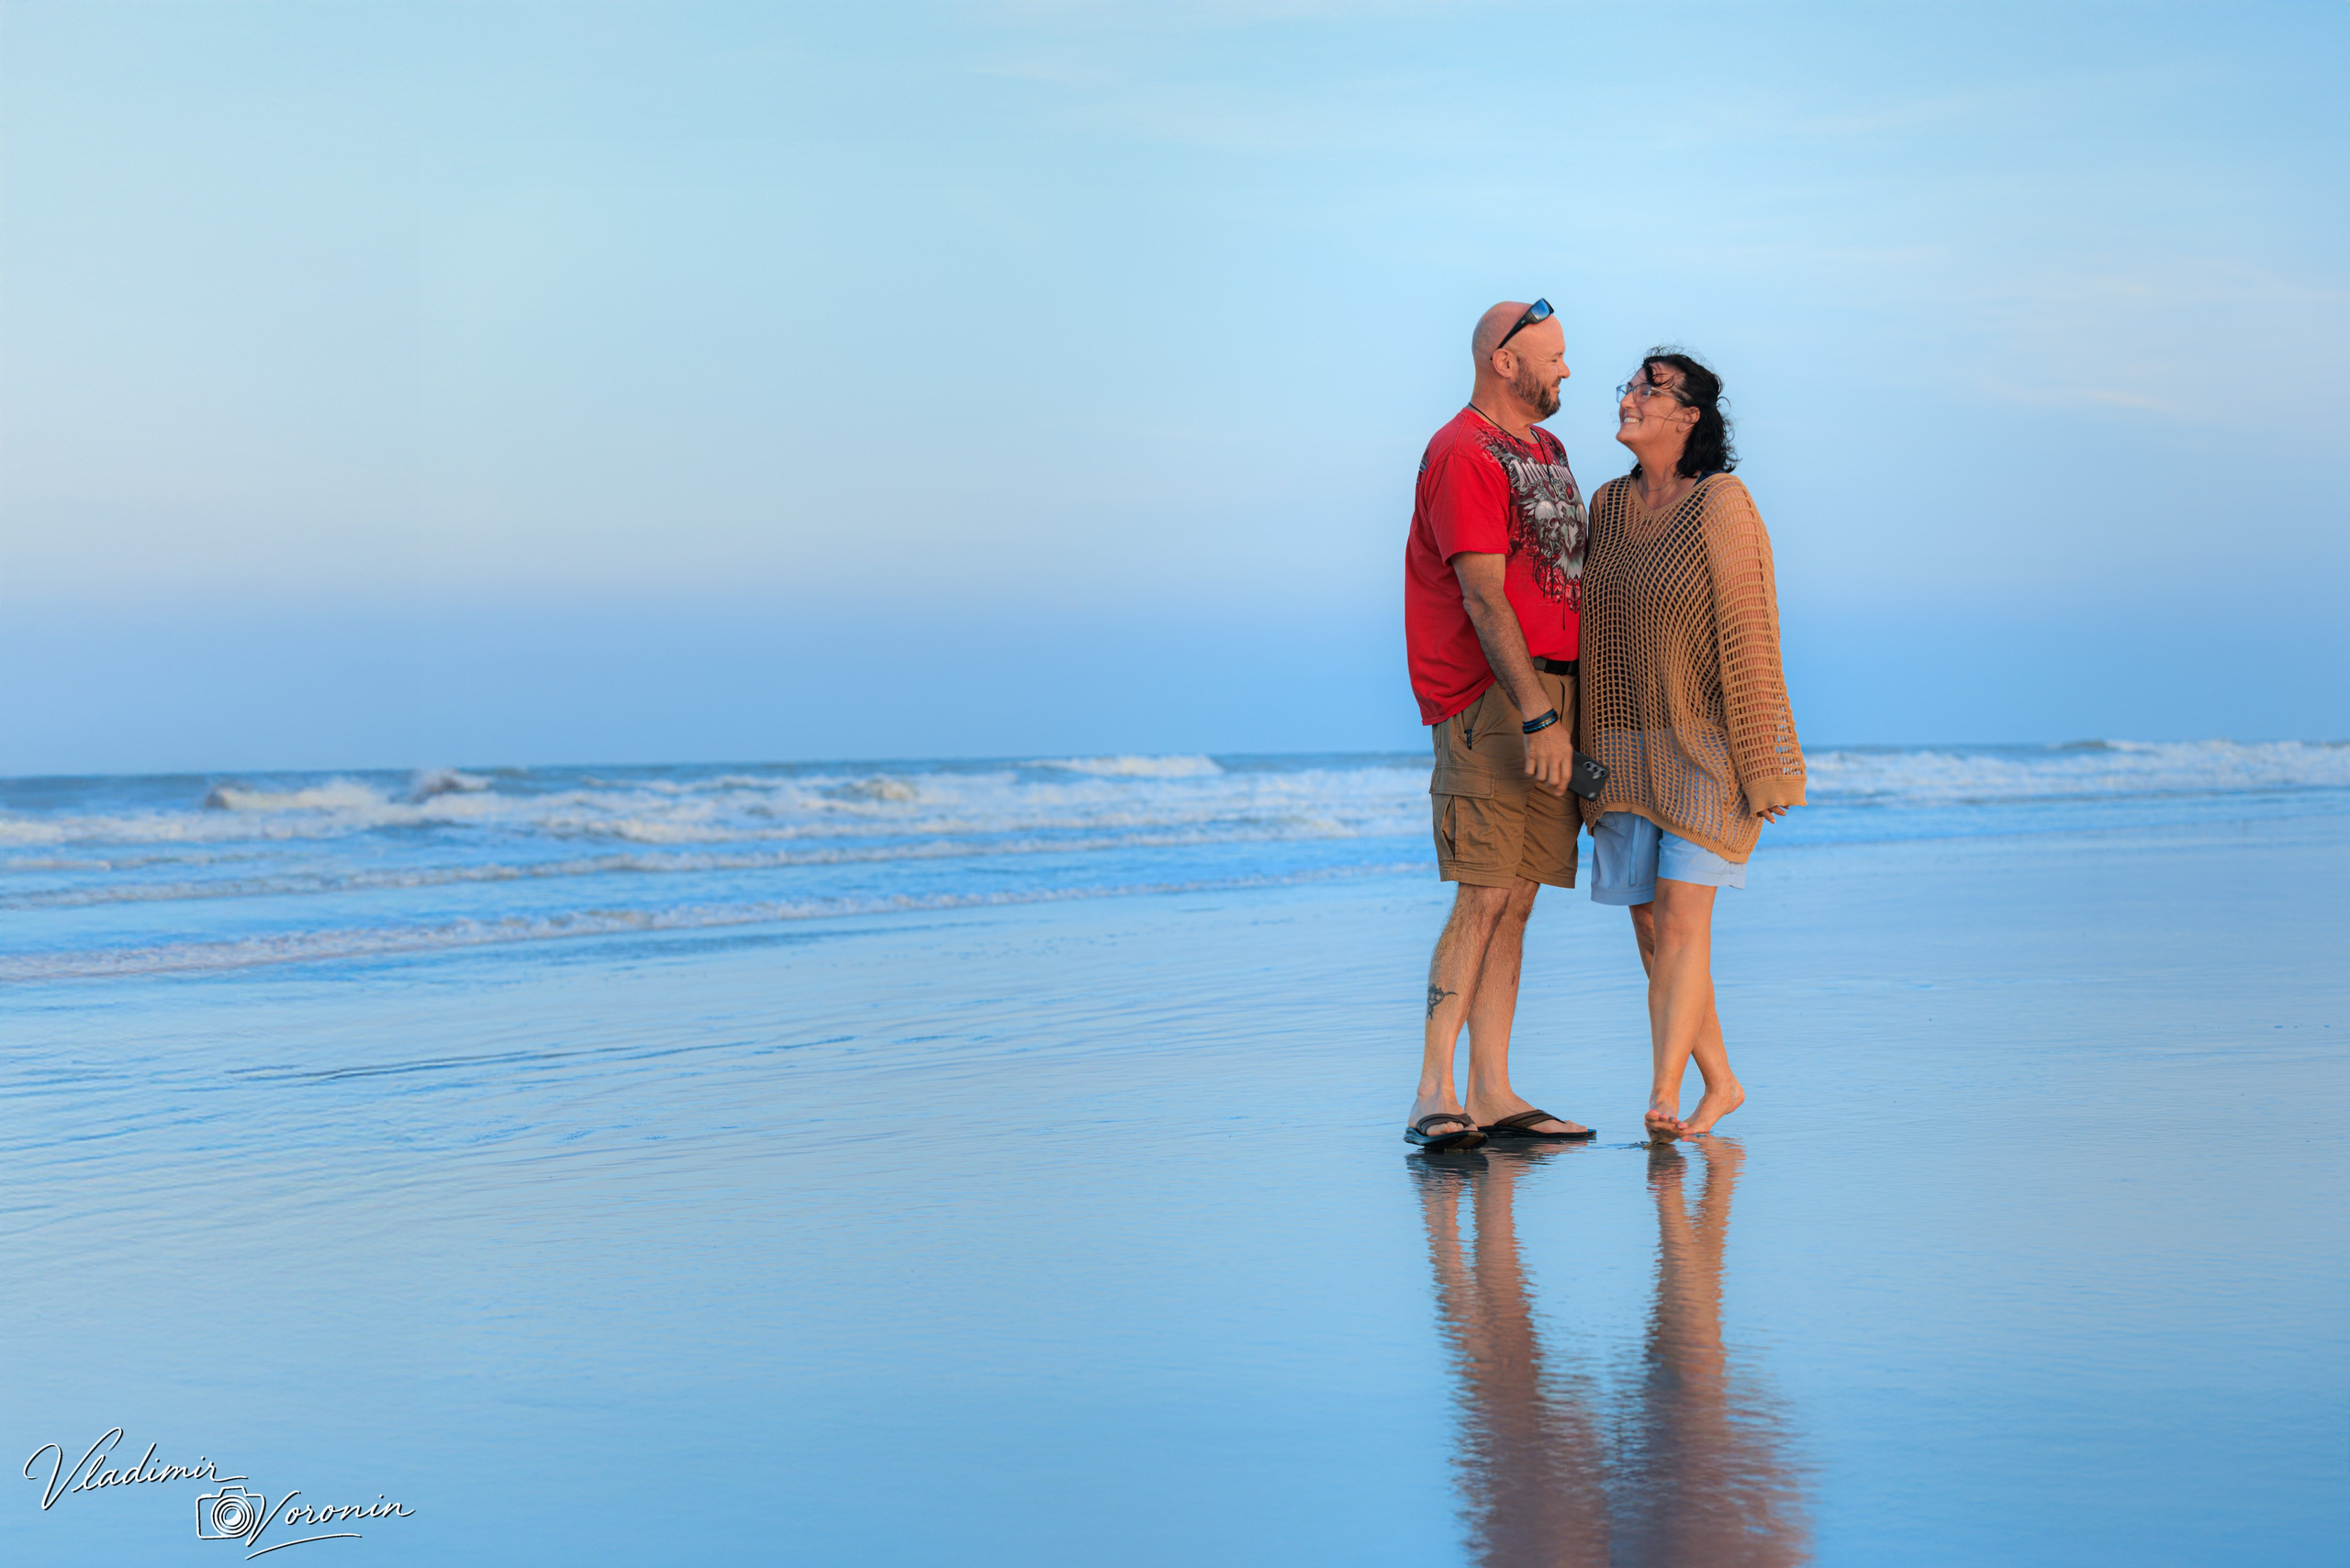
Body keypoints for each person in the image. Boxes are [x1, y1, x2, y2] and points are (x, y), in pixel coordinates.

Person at [1578, 350, 1804, 1139]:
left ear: (1689, 416)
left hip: (1705, 749)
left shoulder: (1721, 501)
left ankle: (1664, 1095)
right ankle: (1724, 1083)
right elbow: (1588, 634)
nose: (1631, 398)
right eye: (1631, 386)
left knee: (1680, 923)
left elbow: (1749, 632)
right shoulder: (1606, 505)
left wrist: (1766, 763)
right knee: (1648, 928)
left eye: (1651, 389)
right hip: (1626, 746)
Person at [1401, 299, 1595, 1149]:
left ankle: (1491, 1091)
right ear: (1503, 362)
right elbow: (1482, 594)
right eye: (1552, 357)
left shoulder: (1547, 451)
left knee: (1517, 900)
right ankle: (1431, 1092)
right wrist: (1539, 714)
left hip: (1554, 695)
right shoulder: (1461, 450)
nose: (1565, 371)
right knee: (1481, 893)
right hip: (1493, 702)